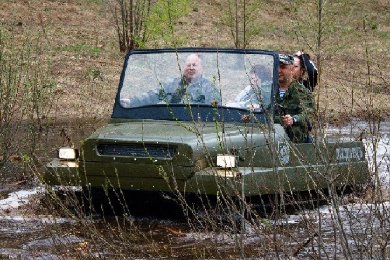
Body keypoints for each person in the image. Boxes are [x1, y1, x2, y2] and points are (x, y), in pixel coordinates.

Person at [121, 53, 221, 107]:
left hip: (197, 127)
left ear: (202, 68)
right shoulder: (173, 83)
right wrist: (132, 102)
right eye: (188, 65)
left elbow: (215, 112)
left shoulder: (210, 88)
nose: (191, 68)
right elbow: (153, 95)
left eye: (194, 65)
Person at [275, 54, 315, 143]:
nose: (278, 70)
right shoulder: (267, 89)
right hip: (270, 138)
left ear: (292, 70)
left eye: (282, 67)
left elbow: (309, 115)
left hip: (294, 142)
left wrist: (293, 119)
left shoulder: (301, 92)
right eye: (276, 66)